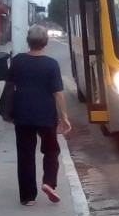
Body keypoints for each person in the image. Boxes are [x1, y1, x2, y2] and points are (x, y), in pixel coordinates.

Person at [7, 24, 72, 206]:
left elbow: (10, 84)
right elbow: (57, 93)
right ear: (46, 42)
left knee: (25, 154)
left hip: (22, 115)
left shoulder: (18, 61)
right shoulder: (51, 64)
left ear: (28, 41)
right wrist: (64, 116)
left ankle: (28, 198)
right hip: (46, 116)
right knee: (51, 150)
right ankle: (49, 183)